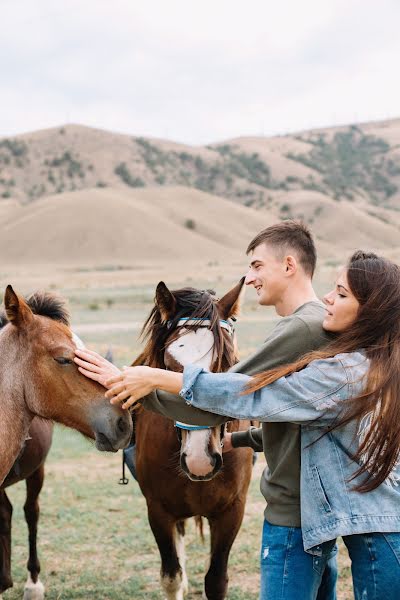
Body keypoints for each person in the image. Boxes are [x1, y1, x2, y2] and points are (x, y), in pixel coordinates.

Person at [82, 250, 400, 599]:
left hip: (373, 532)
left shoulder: (340, 370)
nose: (328, 296)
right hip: (366, 524)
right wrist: (247, 438)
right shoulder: (369, 361)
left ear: (371, 311)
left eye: (340, 293)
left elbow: (252, 395)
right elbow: (323, 425)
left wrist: (153, 381)